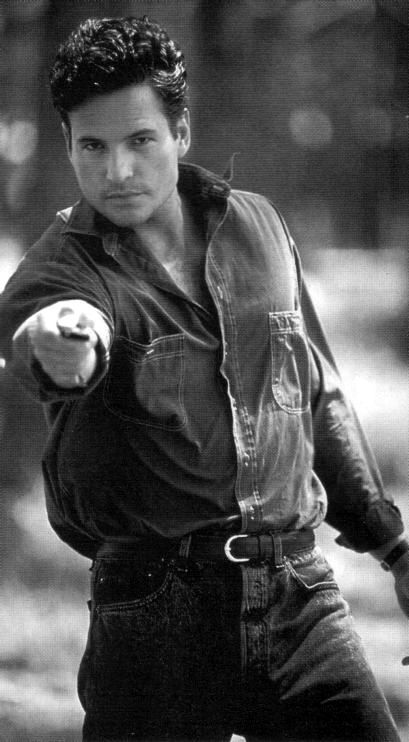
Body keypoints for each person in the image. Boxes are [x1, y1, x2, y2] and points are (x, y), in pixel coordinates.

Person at [0, 15, 407, 742]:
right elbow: (47, 336)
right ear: (66, 143)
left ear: (181, 133)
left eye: (140, 141)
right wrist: (60, 342)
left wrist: (392, 547)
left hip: (299, 596)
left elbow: (313, 391)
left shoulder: (258, 225)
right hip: (153, 614)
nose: (117, 171)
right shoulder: (59, 267)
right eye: (93, 146)